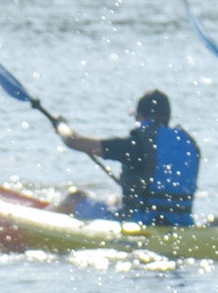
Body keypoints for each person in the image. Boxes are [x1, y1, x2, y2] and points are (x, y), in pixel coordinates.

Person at [50, 89, 199, 227]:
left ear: (142, 116)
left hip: (140, 223)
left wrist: (61, 125)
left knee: (74, 197)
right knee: (115, 199)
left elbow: (73, 141)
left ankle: (41, 221)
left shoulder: (136, 144)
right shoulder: (189, 145)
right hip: (181, 224)